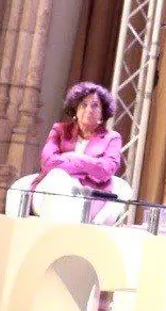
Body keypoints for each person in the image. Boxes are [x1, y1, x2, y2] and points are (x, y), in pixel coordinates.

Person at [19, 82, 124, 223]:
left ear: (102, 112)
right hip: (51, 189)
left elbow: (106, 169)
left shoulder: (112, 138)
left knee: (61, 182)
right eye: (83, 104)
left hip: (86, 195)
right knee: (58, 176)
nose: (89, 109)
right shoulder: (59, 130)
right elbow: (48, 163)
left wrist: (73, 157)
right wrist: (86, 167)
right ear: (75, 109)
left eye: (95, 105)